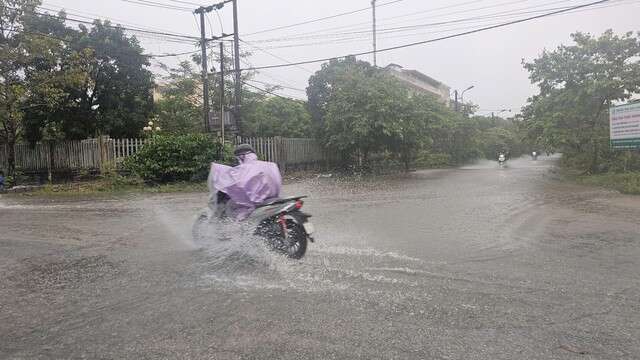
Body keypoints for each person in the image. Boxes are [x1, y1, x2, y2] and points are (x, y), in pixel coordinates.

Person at [207, 144, 282, 220]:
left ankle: (236, 228)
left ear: (241, 156)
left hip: (255, 202)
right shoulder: (270, 165)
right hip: (272, 198)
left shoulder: (245, 168)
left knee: (231, 206)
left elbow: (239, 183)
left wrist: (225, 184)